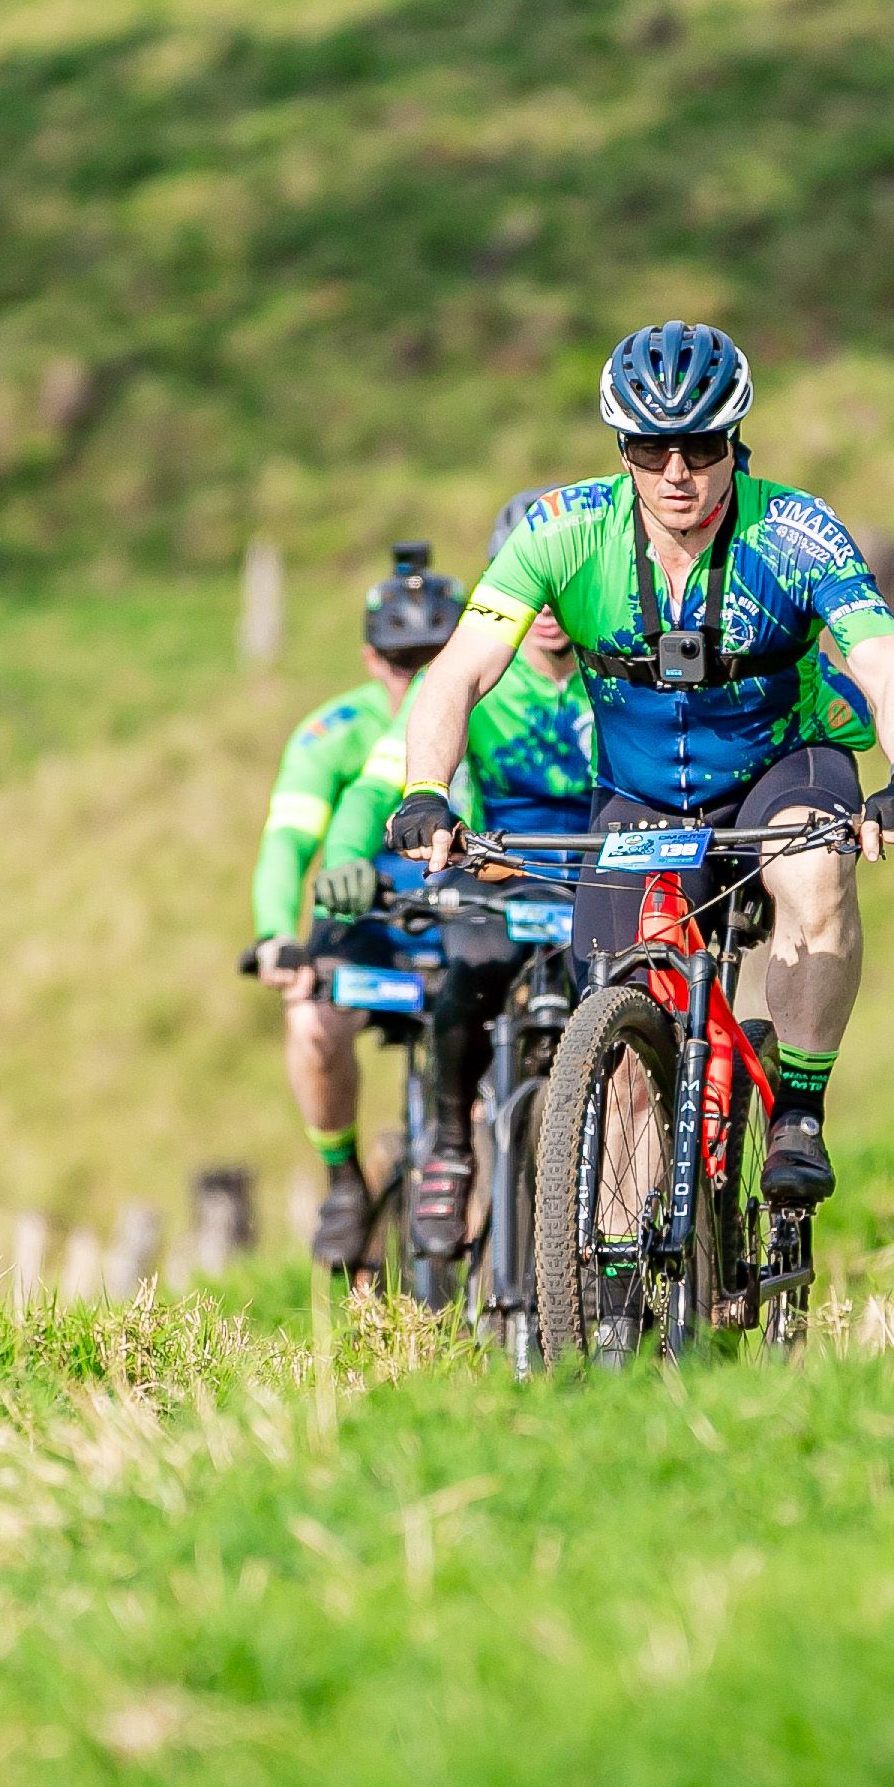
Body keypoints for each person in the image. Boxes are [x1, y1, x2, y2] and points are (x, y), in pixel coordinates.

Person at [385, 319, 894, 1211]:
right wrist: (423, 793)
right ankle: (623, 1268)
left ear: (735, 439)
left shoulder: (794, 530)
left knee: (814, 875)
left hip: (782, 764)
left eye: (701, 446)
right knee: (616, 1045)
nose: (677, 473)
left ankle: (799, 1107)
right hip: (639, 794)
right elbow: (456, 675)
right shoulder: (563, 531)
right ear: (623, 450)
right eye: (651, 450)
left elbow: (886, 663)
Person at [305, 493, 602, 1260]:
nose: (549, 608)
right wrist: (345, 863)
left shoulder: (620, 669)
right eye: (533, 587)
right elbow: (378, 785)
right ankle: (448, 1145)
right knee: (469, 963)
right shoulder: (470, 675)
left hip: (603, 873)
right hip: (503, 875)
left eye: (566, 587)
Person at [246, 542, 469, 1268]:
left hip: (468, 912)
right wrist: (277, 936)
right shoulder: (332, 734)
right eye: (404, 662)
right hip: (368, 921)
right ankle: (343, 1179)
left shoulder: (490, 711)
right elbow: (288, 843)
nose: (421, 675)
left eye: (437, 655)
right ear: (373, 660)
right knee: (311, 1020)